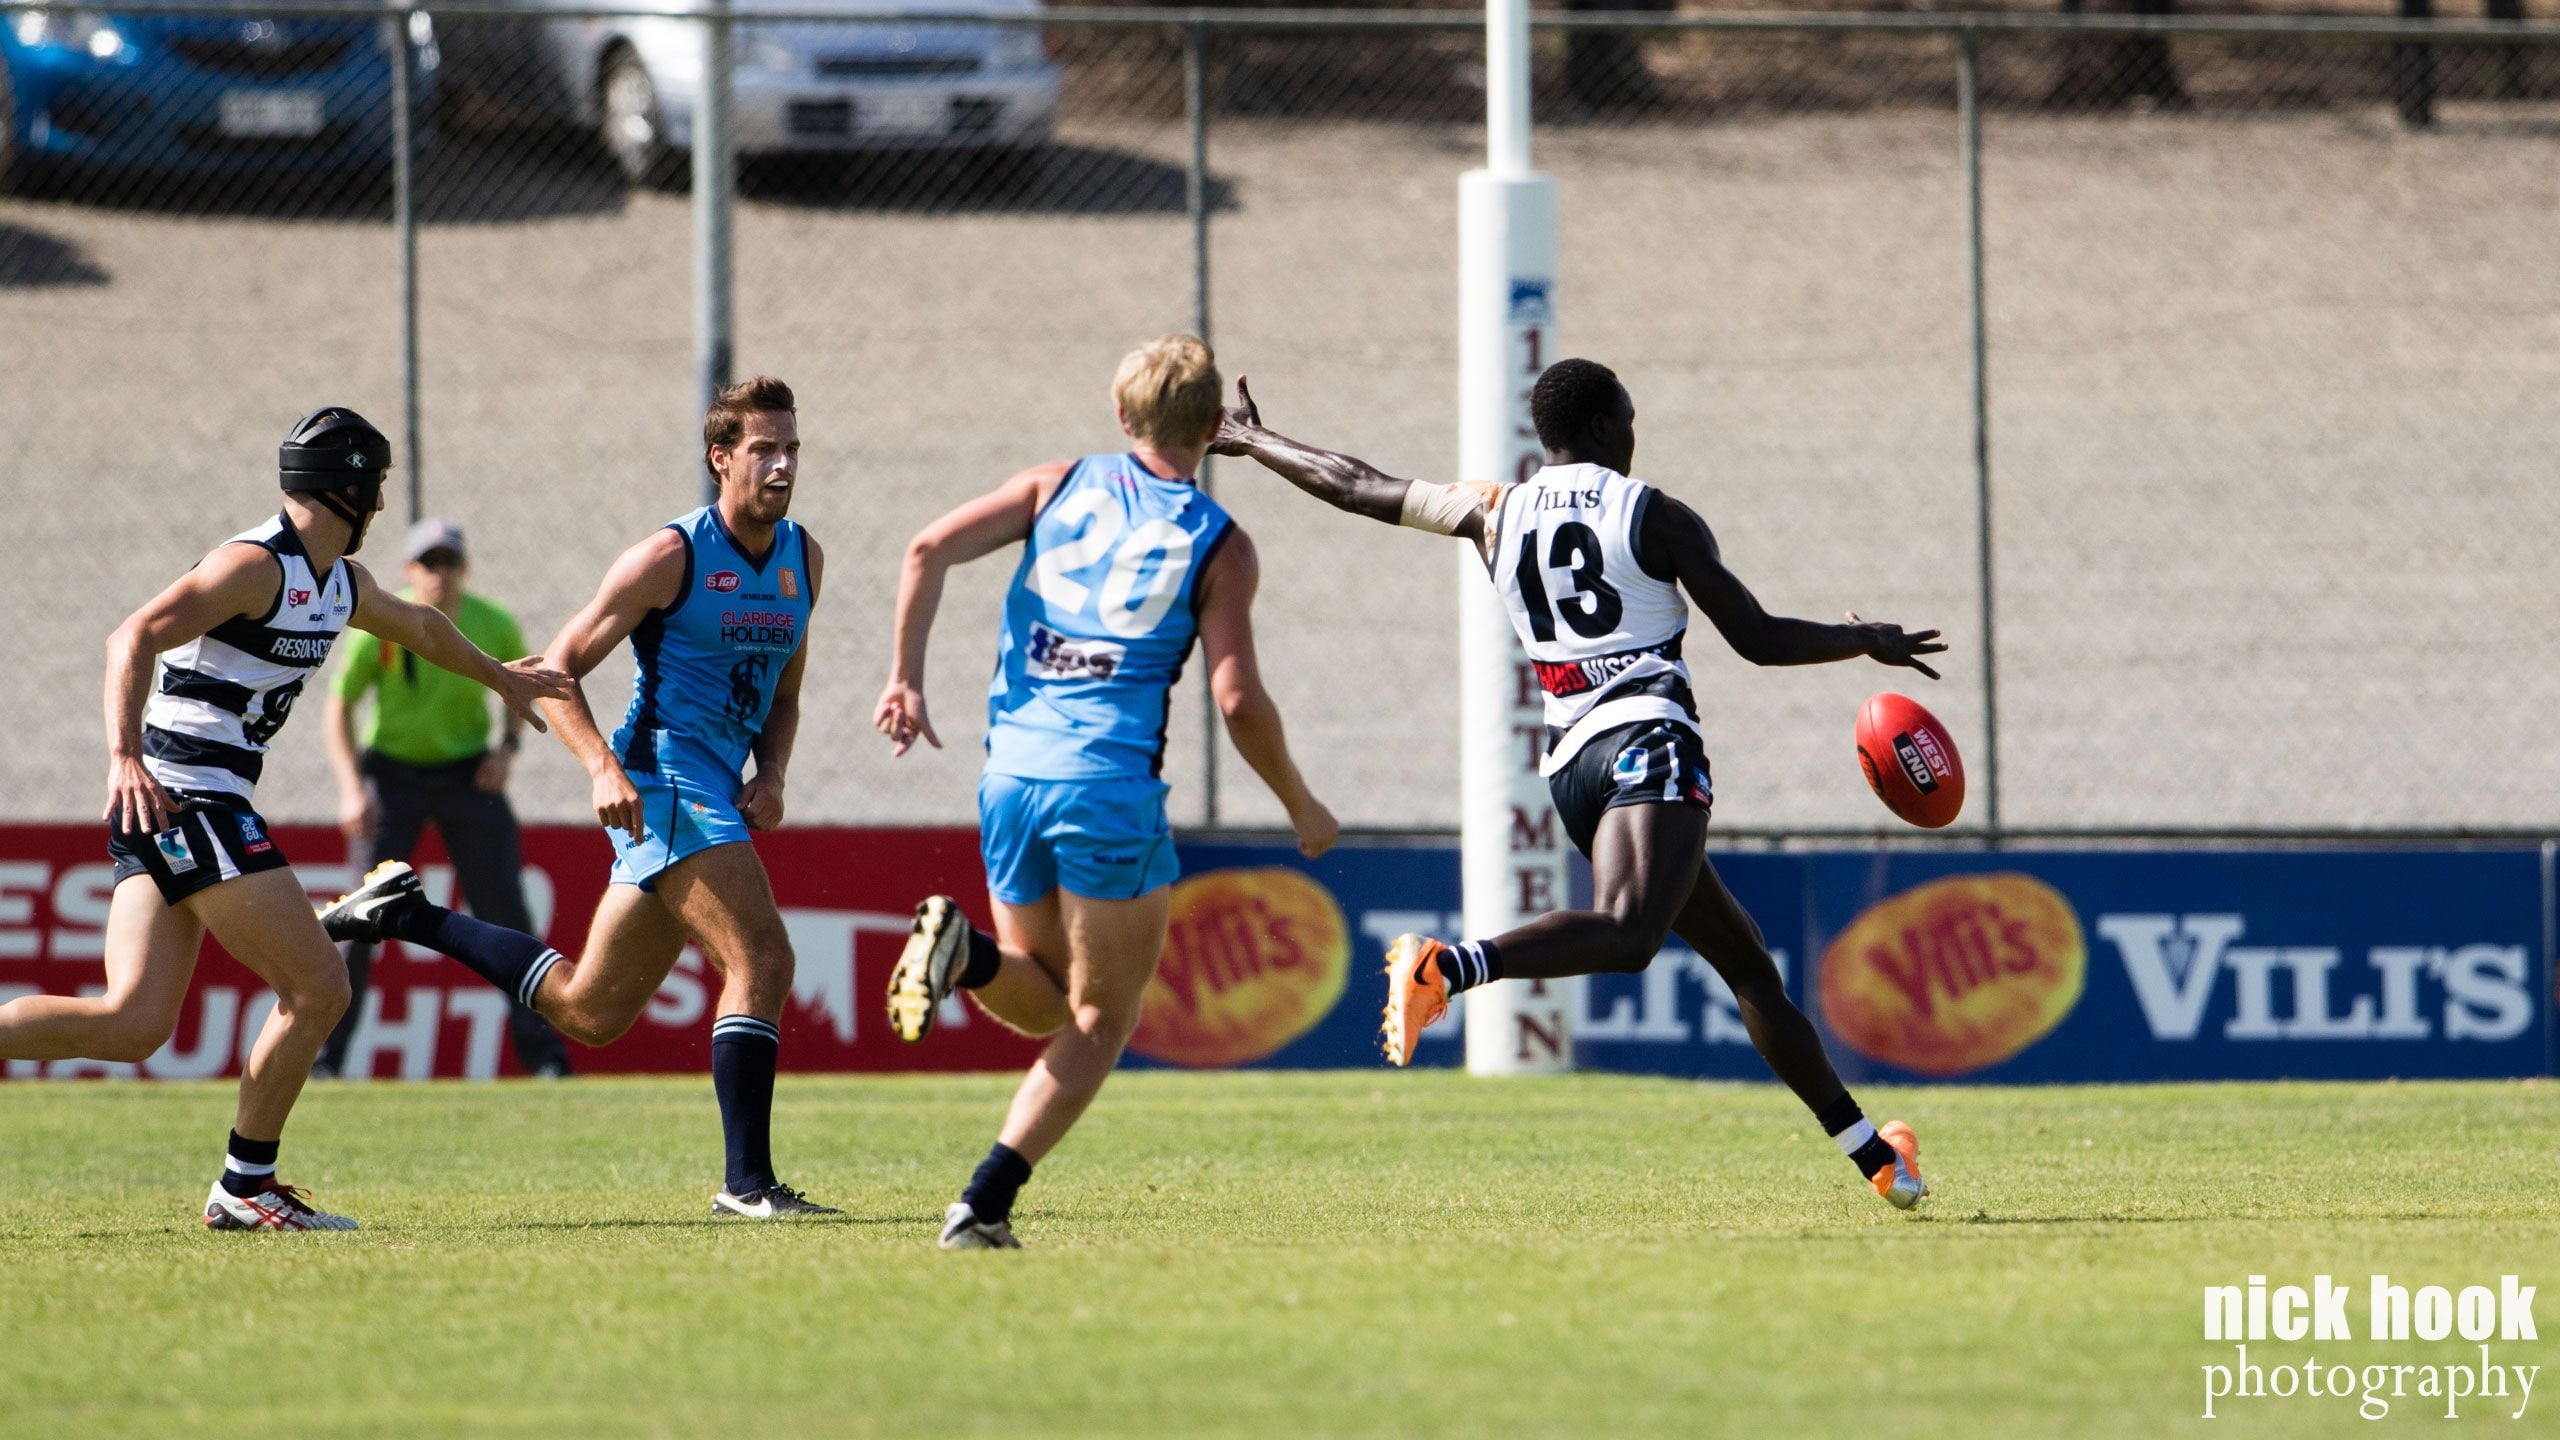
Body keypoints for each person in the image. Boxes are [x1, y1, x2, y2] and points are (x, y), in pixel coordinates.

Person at [1211, 359, 1946, 1210]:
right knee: (1631, 935)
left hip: (1573, 770)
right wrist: (1862, 640)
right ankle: (1447, 968)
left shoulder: (1492, 508)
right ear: (1601, 426)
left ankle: (1878, 1159)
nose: (1635, 435)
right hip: (1647, 741)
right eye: (1628, 419)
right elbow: (1757, 638)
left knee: (1748, 966)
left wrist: (1252, 438)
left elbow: (1356, 485)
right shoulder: (1656, 514)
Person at [0, 408, 571, 1231]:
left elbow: (419, 627)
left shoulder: (337, 581)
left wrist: (496, 677)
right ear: (349, 484)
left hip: (173, 805)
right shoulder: (257, 566)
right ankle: (246, 1187)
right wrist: (122, 755)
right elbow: (132, 636)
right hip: (188, 796)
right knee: (319, 986)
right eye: (374, 485)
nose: (379, 505)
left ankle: (244, 1186)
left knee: (132, 1023)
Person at [318, 376, 838, 1219]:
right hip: (664, 781)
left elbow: (784, 693)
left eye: (791, 450)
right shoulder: (671, 557)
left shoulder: (803, 558)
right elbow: (553, 672)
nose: (782, 466)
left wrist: (772, 772)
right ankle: (748, 1186)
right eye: (762, 450)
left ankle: (410, 915)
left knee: (589, 1012)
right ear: (720, 459)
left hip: (707, 791)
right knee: (764, 958)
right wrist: (601, 763)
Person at [873, 335, 1338, 1250]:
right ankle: (982, 1204)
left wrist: (906, 678)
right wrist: (1300, 802)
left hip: (1010, 773)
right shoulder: (1220, 544)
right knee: (1101, 1018)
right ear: (1216, 429)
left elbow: (926, 547)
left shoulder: (1055, 484)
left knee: (1045, 1001)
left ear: (1122, 419)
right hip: (1107, 787)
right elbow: (1236, 697)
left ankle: (962, 954)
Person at [317, 517, 572, 1079]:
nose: (440, 574)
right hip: (391, 776)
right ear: (409, 570)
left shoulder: (493, 623)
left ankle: (546, 1059)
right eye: (429, 563)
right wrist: (351, 787)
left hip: (465, 777)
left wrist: (506, 750)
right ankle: (326, 1059)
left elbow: (518, 687)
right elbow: (339, 706)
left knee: (506, 913)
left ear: (464, 569)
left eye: (449, 563)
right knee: (358, 923)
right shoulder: (382, 623)